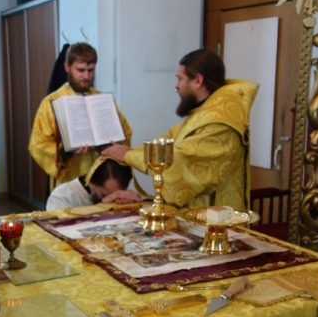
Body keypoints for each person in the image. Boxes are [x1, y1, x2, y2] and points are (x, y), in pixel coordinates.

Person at [102, 49, 258, 210]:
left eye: (180, 79)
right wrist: (128, 151)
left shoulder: (219, 122)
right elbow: (168, 141)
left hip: (216, 220)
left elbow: (180, 162)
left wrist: (128, 155)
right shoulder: (205, 113)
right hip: (198, 215)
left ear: (197, 81)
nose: (176, 86)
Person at [28, 42, 133, 189]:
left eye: (91, 70)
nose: (86, 76)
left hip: (102, 179)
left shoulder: (103, 100)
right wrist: (65, 152)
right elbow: (37, 145)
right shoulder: (51, 103)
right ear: (67, 67)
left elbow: (125, 134)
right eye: (81, 70)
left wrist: (109, 145)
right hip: (69, 181)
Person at [45, 159, 141, 210]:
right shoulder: (62, 196)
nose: (112, 198)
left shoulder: (124, 191)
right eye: (104, 195)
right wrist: (105, 207)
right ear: (91, 180)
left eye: (117, 195)